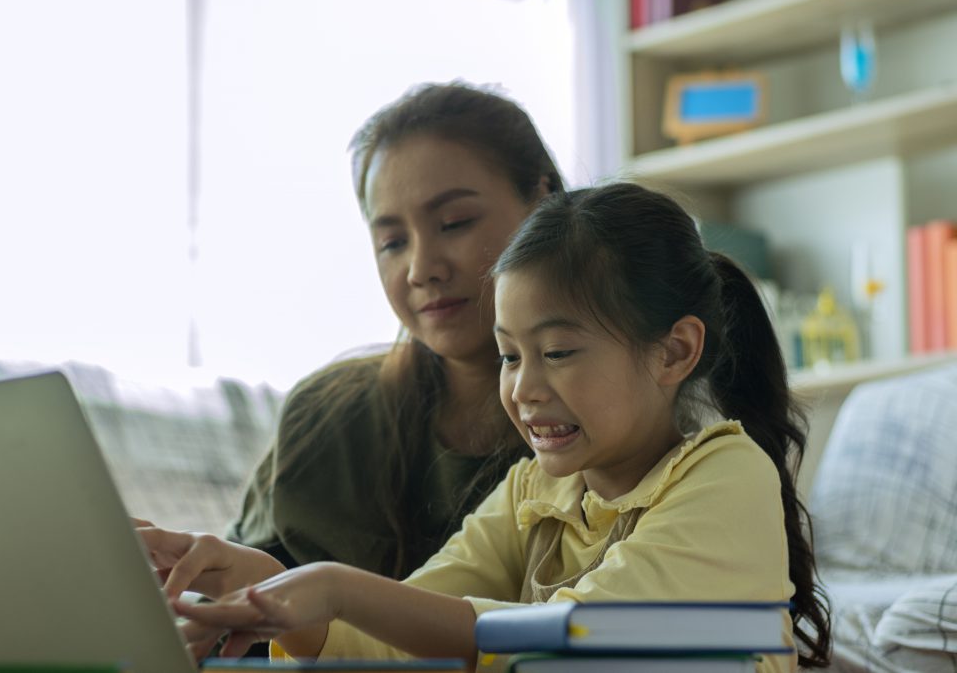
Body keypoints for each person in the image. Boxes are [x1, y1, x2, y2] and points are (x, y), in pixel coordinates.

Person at [167, 182, 833, 673]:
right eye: (511, 355)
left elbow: (580, 633)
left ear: (673, 352)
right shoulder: (530, 490)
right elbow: (401, 633)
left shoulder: (727, 474)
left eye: (559, 352)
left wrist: (339, 585)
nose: (523, 388)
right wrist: (280, 594)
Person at [136, 82, 565, 601]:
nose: (421, 269)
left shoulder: (612, 421)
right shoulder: (327, 418)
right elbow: (237, 621)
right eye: (392, 242)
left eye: (455, 223)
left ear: (541, 204)